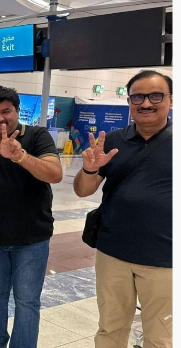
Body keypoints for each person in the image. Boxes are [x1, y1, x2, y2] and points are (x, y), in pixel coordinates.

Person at [73, 70, 172, 348]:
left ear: (170, 99)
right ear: (129, 101)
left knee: (161, 337)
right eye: (137, 97)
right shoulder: (113, 140)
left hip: (165, 258)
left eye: (155, 96)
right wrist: (89, 168)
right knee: (110, 329)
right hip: (113, 253)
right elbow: (83, 190)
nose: (146, 103)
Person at [0, 86, 62, 348]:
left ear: (18, 111)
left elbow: (54, 174)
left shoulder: (37, 136)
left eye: (6, 111)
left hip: (32, 236)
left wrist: (19, 156)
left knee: (27, 300)